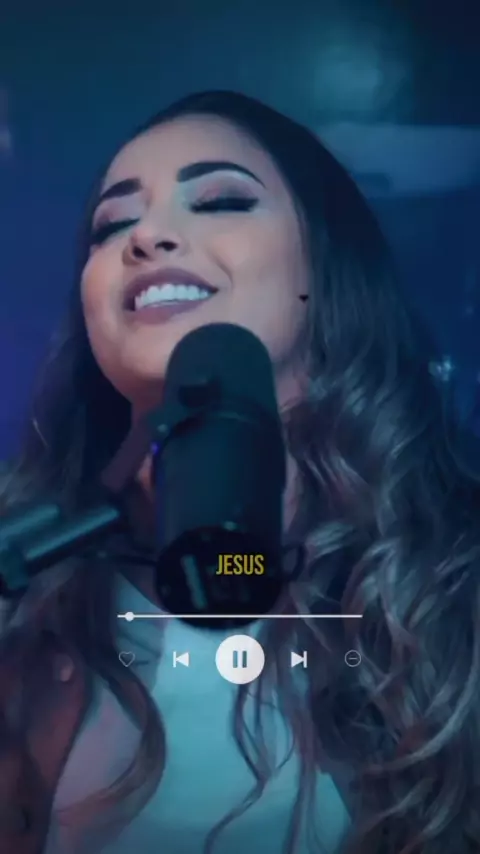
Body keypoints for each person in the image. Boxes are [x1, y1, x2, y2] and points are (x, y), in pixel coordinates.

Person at [0, 90, 479, 854]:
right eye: (113, 224)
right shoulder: (22, 578)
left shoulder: (454, 575)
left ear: (323, 269)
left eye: (221, 200)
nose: (148, 236)